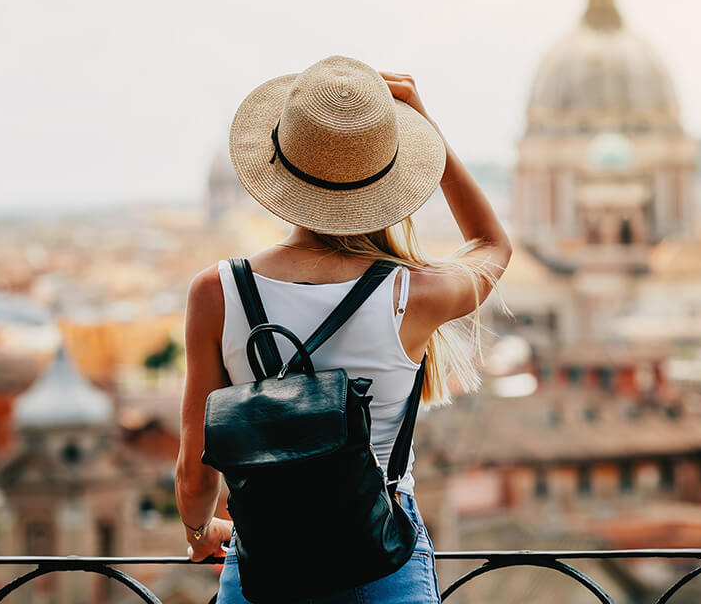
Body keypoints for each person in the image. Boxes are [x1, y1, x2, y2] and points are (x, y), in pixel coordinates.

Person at [174, 56, 512, 603]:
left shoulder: (215, 291)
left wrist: (199, 532)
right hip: (381, 562)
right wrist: (430, 137)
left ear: (281, 169)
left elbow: (195, 472)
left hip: (264, 563)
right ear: (391, 177)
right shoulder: (412, 294)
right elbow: (493, 246)